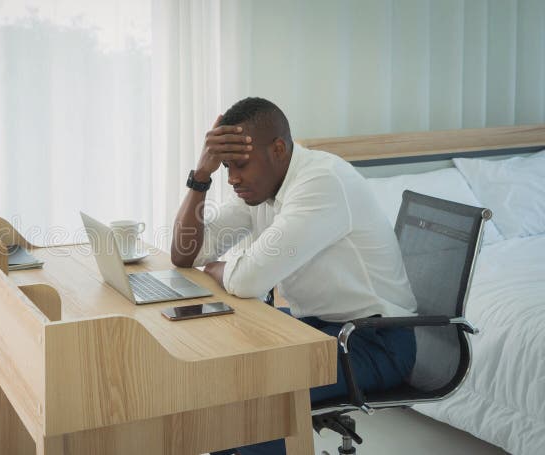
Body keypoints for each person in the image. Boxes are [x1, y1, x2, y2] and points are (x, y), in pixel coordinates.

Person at [170, 97, 418, 455]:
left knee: (256, 391)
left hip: (372, 340)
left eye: (239, 165)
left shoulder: (321, 182)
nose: (233, 178)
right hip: (318, 328)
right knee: (219, 368)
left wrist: (225, 269)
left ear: (279, 149)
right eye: (225, 167)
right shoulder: (259, 188)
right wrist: (200, 177)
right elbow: (186, 253)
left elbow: (247, 280)